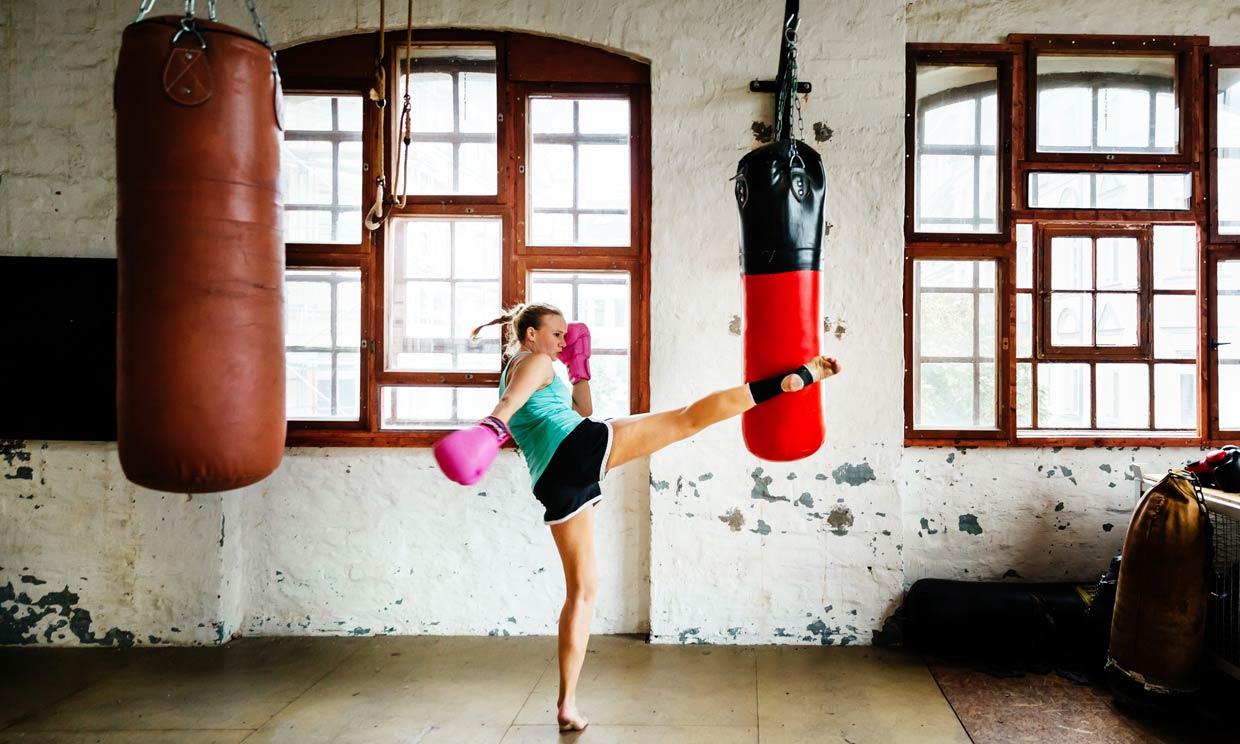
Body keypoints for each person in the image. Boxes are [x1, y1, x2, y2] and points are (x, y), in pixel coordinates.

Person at [434, 302, 840, 733]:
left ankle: (567, 705)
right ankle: (790, 381)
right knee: (686, 420)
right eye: (556, 334)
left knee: (583, 593)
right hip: (573, 450)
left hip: (554, 480)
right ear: (530, 334)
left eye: (565, 336)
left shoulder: (539, 365)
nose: (562, 341)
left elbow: (582, 410)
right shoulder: (533, 361)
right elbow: (512, 401)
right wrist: (493, 426)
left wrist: (579, 368)